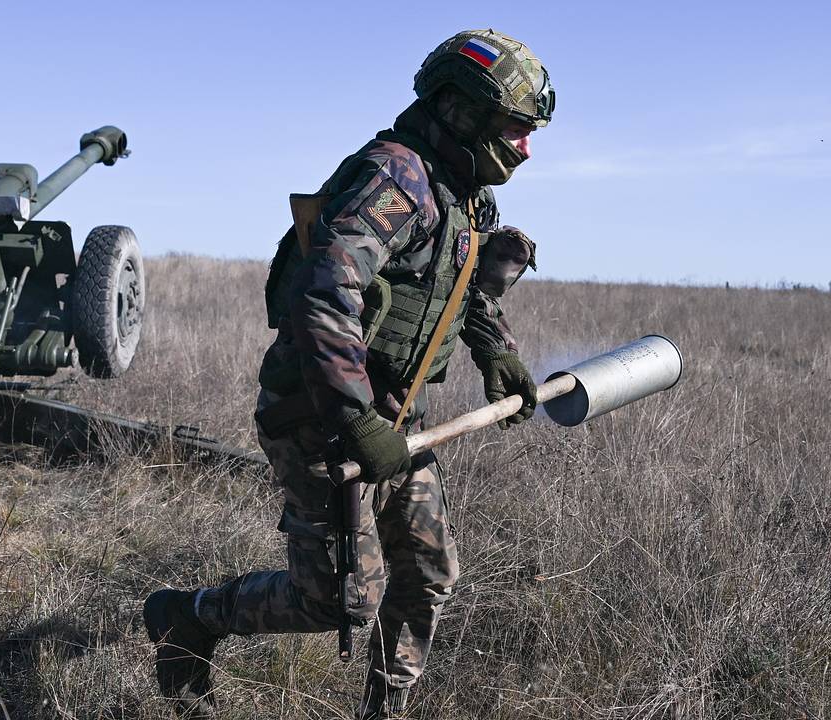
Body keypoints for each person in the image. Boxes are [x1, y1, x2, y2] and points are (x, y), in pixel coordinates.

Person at [143, 29, 554, 719]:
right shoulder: (394, 178)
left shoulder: (465, 194)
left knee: (427, 575)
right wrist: (354, 418)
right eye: (515, 128)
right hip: (321, 416)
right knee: (337, 599)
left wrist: (497, 354)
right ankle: (190, 618)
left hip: (398, 418)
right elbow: (323, 290)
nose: (525, 148)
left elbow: (467, 285)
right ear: (465, 110)